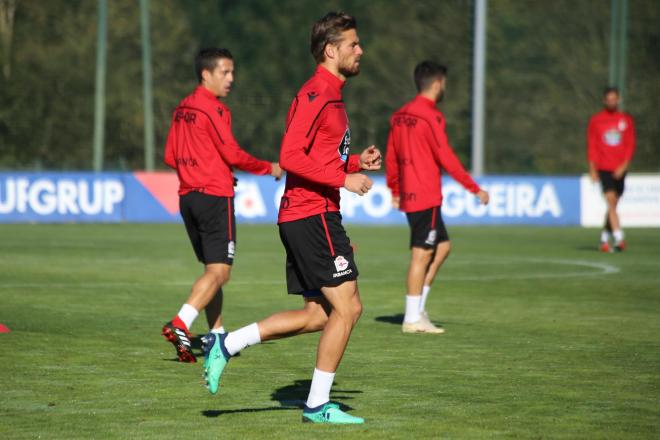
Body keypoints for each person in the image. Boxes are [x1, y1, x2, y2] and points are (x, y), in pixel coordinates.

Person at [203, 12, 381, 424]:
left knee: (320, 315)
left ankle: (227, 345)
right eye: (353, 44)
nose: (360, 51)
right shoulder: (317, 92)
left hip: (310, 215)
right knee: (349, 308)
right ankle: (317, 405)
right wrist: (343, 177)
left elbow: (318, 154)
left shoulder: (331, 95)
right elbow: (290, 156)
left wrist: (355, 161)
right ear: (331, 50)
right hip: (312, 215)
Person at [161, 48, 282, 363]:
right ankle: (180, 323)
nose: (231, 79)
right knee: (220, 273)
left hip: (188, 197)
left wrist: (204, 170)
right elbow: (233, 154)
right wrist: (268, 167)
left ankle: (216, 335)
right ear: (206, 74)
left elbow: (170, 157)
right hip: (215, 198)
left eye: (232, 72)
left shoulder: (182, 108)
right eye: (224, 72)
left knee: (212, 271)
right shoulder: (213, 109)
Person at [385, 61, 489, 334]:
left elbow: (391, 156)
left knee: (442, 248)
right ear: (437, 83)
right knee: (422, 254)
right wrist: (474, 188)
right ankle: (411, 318)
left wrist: (395, 189)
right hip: (425, 194)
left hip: (410, 194)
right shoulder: (431, 116)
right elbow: (446, 157)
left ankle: (418, 309)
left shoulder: (399, 115)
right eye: (444, 82)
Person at [587, 87, 636, 252]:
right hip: (604, 168)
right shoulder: (596, 120)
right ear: (604, 100)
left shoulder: (625, 120)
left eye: (614, 99)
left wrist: (624, 165)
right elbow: (592, 146)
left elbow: (630, 145)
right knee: (611, 201)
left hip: (620, 169)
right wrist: (593, 169)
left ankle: (603, 239)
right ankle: (619, 238)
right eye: (608, 99)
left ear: (618, 99)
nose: (611, 102)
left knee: (613, 206)